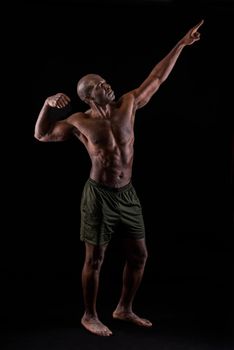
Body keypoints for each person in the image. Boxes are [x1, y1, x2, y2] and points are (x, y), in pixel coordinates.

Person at [34, 20, 204, 336]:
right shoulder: (79, 121)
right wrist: (46, 104)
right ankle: (89, 315)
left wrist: (180, 44)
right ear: (88, 95)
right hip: (98, 194)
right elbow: (42, 135)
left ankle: (124, 308)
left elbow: (156, 78)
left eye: (105, 81)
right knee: (95, 259)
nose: (107, 84)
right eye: (100, 84)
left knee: (139, 255)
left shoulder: (128, 104)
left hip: (127, 192)